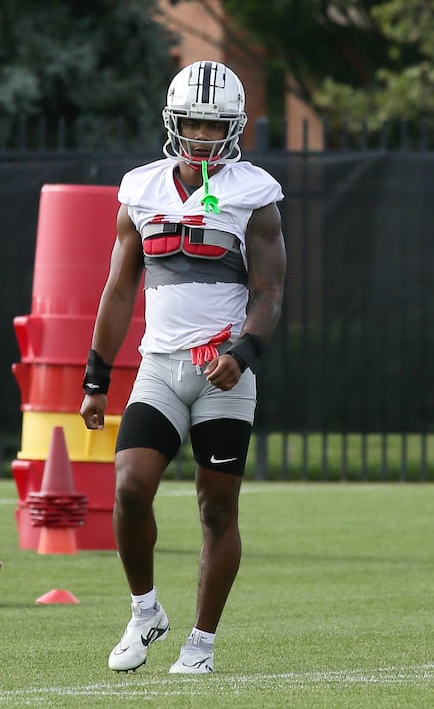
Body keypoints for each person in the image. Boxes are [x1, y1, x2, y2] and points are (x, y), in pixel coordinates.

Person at [80, 60, 286, 676]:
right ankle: (145, 610)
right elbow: (118, 290)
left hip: (223, 370)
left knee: (216, 508)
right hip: (160, 366)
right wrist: (95, 377)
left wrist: (243, 354)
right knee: (129, 487)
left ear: (235, 128)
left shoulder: (256, 192)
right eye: (193, 121)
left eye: (214, 123)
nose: (201, 134)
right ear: (174, 122)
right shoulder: (140, 187)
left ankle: (202, 640)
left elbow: (270, 291)